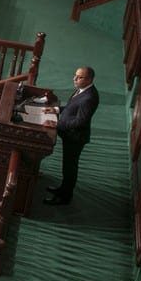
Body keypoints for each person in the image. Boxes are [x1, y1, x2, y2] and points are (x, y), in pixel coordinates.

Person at [45, 66, 100, 205]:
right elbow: (71, 108)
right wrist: (57, 109)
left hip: (75, 138)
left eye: (79, 77)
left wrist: (56, 125)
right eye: (75, 75)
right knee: (67, 166)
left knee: (69, 168)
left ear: (90, 79)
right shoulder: (82, 89)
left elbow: (80, 121)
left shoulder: (90, 97)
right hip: (69, 135)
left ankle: (65, 197)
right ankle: (62, 189)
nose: (75, 79)